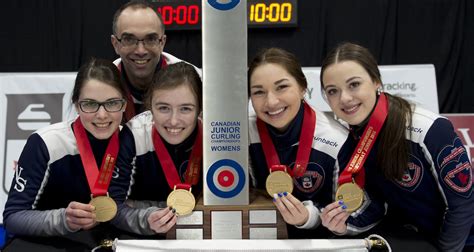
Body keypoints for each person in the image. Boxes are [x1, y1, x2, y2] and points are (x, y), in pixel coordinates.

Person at [319, 42, 474, 251]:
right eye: (332, 91)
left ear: (376, 81)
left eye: (354, 84)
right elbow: (375, 209)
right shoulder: (349, 142)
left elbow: (462, 206)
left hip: (461, 243)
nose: (344, 98)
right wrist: (343, 226)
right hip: (412, 241)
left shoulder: (427, 129)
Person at [2, 58, 128, 251]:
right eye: (90, 104)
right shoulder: (46, 143)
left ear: (124, 104)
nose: (102, 115)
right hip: (53, 243)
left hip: (112, 241)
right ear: (76, 105)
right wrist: (63, 219)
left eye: (112, 103)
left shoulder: (134, 143)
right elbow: (13, 217)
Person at [247, 48, 354, 238]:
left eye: (281, 87)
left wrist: (309, 218)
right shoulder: (243, 134)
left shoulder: (335, 139)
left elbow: (348, 211)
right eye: (258, 92)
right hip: (260, 239)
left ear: (303, 87)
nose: (271, 102)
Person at [110, 61, 202, 236]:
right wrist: (145, 219)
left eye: (185, 109)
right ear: (150, 106)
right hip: (143, 238)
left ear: (199, 109)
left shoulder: (213, 136)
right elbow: (112, 207)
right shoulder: (134, 135)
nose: (174, 121)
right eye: (163, 108)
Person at [111, 0, 199, 122]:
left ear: (162, 42)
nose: (140, 51)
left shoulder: (195, 82)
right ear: (115, 44)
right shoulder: (100, 85)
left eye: (151, 39)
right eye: (129, 39)